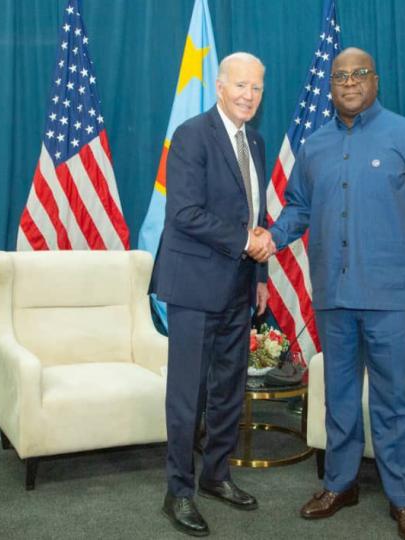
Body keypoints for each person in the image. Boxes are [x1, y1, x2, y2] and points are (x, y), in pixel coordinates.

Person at [269, 47, 405, 540]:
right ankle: (341, 483)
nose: (348, 82)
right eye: (339, 76)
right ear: (330, 86)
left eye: (358, 74)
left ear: (375, 79)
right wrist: (270, 237)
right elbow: (298, 208)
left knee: (394, 400)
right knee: (340, 397)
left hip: (394, 298)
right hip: (333, 295)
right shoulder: (315, 146)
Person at [152, 52, 274, 537]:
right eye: (240, 86)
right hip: (194, 288)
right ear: (219, 86)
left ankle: (216, 476)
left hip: (239, 288)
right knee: (188, 396)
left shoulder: (257, 141)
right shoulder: (191, 135)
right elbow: (184, 213)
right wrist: (248, 241)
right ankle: (177, 491)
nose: (248, 95)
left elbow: (253, 213)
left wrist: (260, 276)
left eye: (257, 88)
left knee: (228, 392)